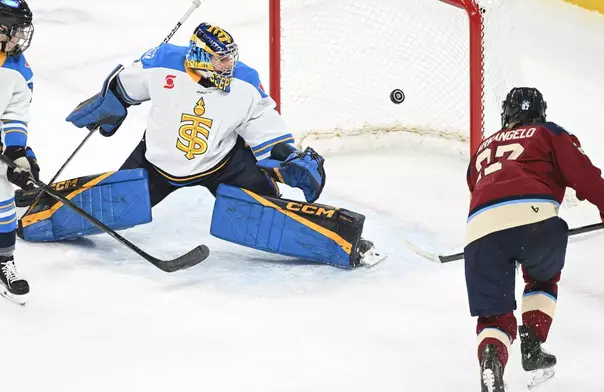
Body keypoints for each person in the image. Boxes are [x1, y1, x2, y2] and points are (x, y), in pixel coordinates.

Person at [43, 22, 382, 269]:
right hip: (157, 163)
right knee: (113, 204)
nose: (228, 65)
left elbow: (264, 127)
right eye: (221, 60)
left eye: (230, 58)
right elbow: (123, 85)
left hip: (225, 163)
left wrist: (287, 158)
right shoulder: (162, 62)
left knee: (265, 211)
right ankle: (34, 218)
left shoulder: (245, 82)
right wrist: (109, 103)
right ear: (200, 57)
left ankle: (342, 242)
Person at [464, 87, 604, 391]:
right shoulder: (549, 132)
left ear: (506, 114)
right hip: (536, 222)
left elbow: (474, 185)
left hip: (480, 229)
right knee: (541, 279)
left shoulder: (483, 147)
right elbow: (582, 175)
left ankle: (491, 359)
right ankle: (532, 345)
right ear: (540, 112)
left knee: (493, 316)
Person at [0, 0, 39, 304]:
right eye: (15, 31)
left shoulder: (17, 66)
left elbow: (15, 112)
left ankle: (3, 261)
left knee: (2, 200)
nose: (20, 38)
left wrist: (18, 153)